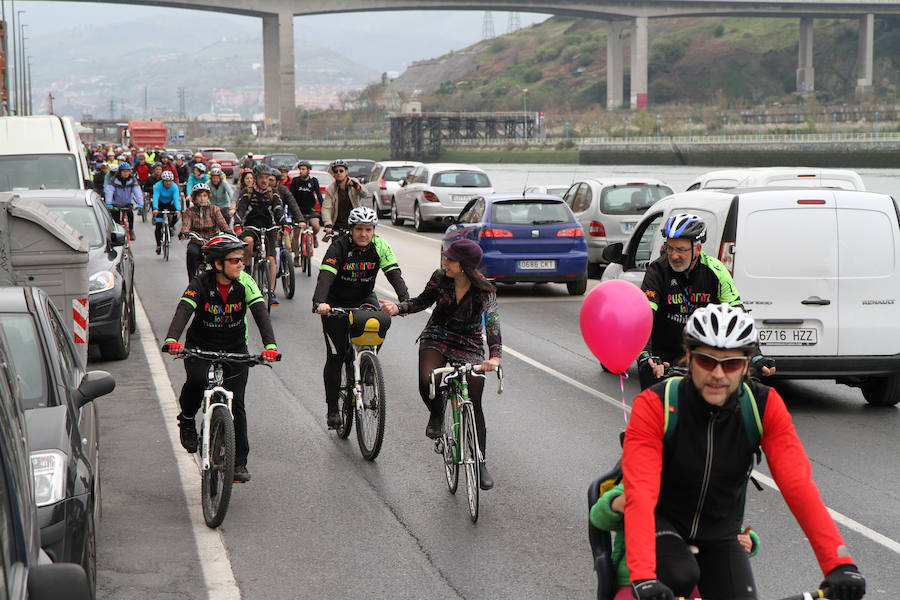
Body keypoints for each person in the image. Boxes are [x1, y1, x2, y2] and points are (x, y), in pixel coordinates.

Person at [622, 303, 866, 600]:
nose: (718, 374)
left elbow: (798, 487)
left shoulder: (763, 406)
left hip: (720, 533)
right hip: (663, 524)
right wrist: (644, 577)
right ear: (688, 357)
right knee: (679, 574)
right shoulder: (656, 404)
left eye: (732, 364)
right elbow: (641, 493)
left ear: (747, 364)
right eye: (706, 361)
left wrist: (839, 564)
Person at [380, 238, 499, 489]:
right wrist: (397, 308)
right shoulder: (440, 277)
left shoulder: (485, 290)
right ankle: (436, 413)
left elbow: (493, 323)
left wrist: (495, 356)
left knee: (474, 398)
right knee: (428, 380)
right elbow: (421, 301)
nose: (445, 261)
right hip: (437, 336)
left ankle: (480, 462)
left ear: (464, 265)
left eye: (450, 259)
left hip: (469, 343)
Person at [162, 234, 279, 483]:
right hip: (200, 346)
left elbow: (260, 313)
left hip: (235, 346)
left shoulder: (245, 282)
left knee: (237, 403)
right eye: (235, 260)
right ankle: (186, 420)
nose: (241, 264)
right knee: (196, 380)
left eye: (242, 260)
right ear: (218, 264)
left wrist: (270, 345)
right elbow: (184, 310)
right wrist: (172, 339)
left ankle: (238, 463)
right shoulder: (200, 283)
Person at [638, 213, 760, 390]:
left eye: (680, 250)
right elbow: (646, 315)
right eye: (670, 248)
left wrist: (756, 356)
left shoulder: (716, 270)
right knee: (654, 401)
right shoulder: (657, 270)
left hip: (702, 352)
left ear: (697, 249)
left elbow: (738, 315)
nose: (673, 256)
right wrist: (645, 354)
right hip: (662, 352)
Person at [313, 207, 409, 429]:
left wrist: (405, 302)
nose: (364, 234)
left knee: (380, 323)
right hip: (335, 302)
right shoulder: (339, 246)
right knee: (336, 356)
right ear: (351, 229)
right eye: (359, 229)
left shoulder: (380, 245)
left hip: (364, 297)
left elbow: (394, 274)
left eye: (368, 229)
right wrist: (320, 302)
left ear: (374, 230)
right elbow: (326, 275)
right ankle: (333, 410)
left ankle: (366, 363)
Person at [233, 164, 285, 306]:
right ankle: (248, 268)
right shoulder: (247, 192)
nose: (264, 181)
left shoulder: (273, 193)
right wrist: (237, 224)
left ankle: (272, 291)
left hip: (269, 228)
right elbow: (240, 210)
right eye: (261, 178)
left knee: (272, 259)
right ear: (255, 178)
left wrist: (283, 222)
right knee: (248, 241)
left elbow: (278, 209)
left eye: (267, 178)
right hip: (251, 227)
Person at [180, 182, 233, 280]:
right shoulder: (190, 211)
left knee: (222, 257)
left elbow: (222, 223)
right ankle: (192, 283)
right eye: (199, 196)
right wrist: (184, 233)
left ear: (208, 197)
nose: (202, 198)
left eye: (204, 195)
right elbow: (186, 224)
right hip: (196, 241)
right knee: (191, 253)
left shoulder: (214, 209)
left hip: (212, 242)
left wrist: (230, 233)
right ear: (194, 197)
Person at [321, 159, 366, 236]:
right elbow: (326, 208)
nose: (338, 173)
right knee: (335, 247)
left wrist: (356, 186)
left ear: (346, 172)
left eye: (341, 171)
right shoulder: (330, 189)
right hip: (338, 226)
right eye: (336, 171)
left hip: (354, 224)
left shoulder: (354, 182)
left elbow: (365, 194)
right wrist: (328, 224)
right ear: (333, 174)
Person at [289, 160, 324, 259]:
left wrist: (323, 209)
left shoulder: (313, 181)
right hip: (298, 211)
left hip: (310, 209)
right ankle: (296, 256)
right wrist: (290, 211)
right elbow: (291, 197)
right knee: (296, 235)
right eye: (300, 169)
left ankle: (313, 236)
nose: (301, 171)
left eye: (303, 169)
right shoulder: (295, 181)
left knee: (316, 226)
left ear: (308, 170)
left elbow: (319, 196)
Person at [104, 161, 143, 240]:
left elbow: (137, 191)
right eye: (124, 171)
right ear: (120, 172)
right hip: (116, 203)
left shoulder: (132, 180)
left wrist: (140, 204)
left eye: (128, 171)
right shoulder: (114, 180)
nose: (126, 173)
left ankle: (131, 230)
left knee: (130, 214)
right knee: (116, 220)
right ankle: (117, 233)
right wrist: (109, 203)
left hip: (127, 202)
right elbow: (109, 191)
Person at [152, 170, 182, 255]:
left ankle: (171, 226)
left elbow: (176, 199)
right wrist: (155, 208)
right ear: (163, 181)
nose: (168, 183)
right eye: (166, 181)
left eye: (170, 181)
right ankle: (158, 245)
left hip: (170, 204)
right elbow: (155, 197)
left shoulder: (174, 187)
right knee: (158, 225)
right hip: (160, 204)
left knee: (176, 215)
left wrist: (178, 209)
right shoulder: (158, 185)